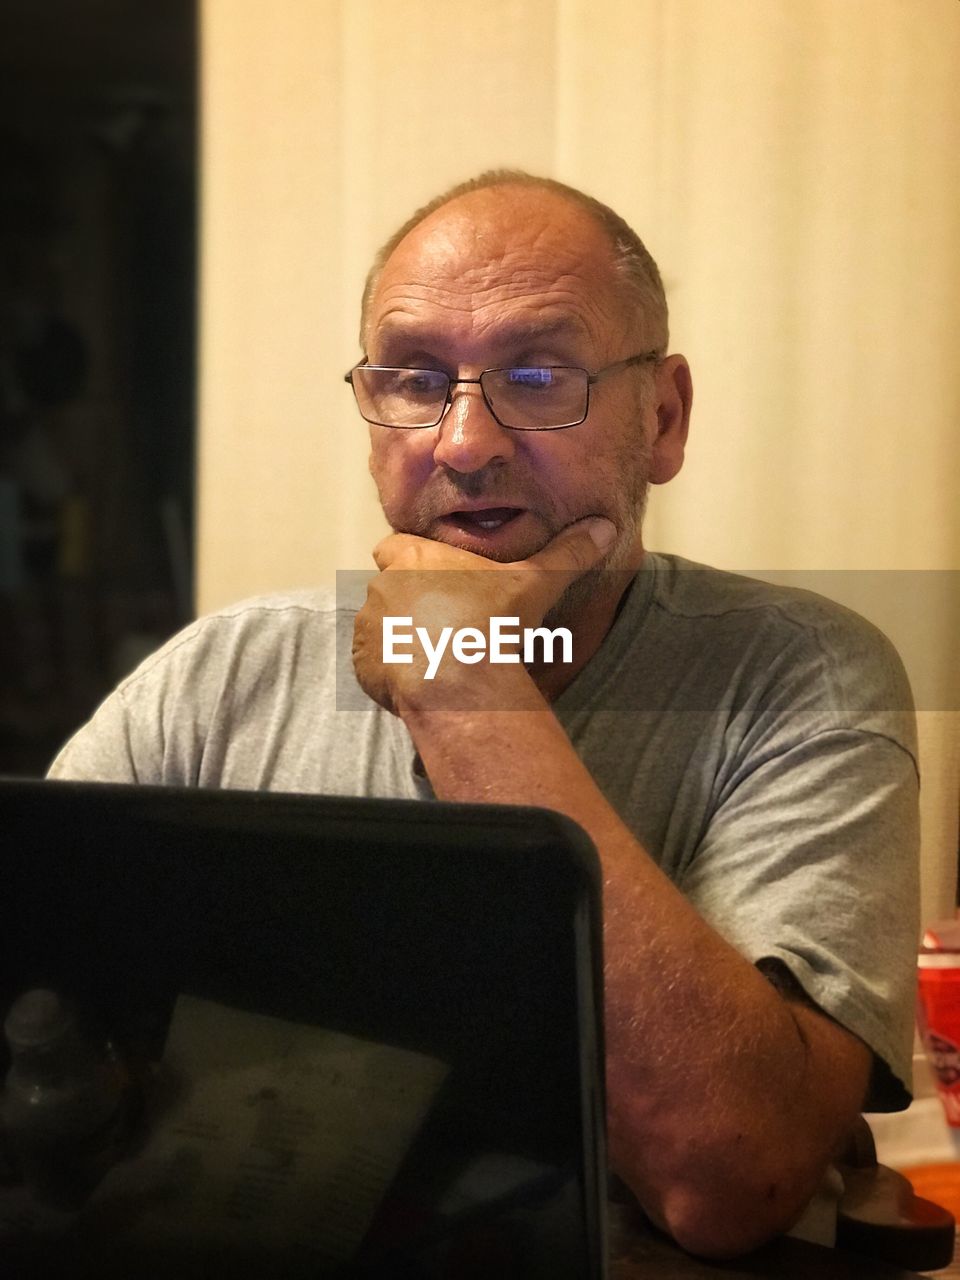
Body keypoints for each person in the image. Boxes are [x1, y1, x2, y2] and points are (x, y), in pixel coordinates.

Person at [49, 171, 919, 1258]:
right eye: (415, 380)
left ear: (665, 416)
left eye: (541, 373)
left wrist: (460, 684)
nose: (463, 442)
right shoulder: (219, 675)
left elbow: (731, 1171)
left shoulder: (800, 674)